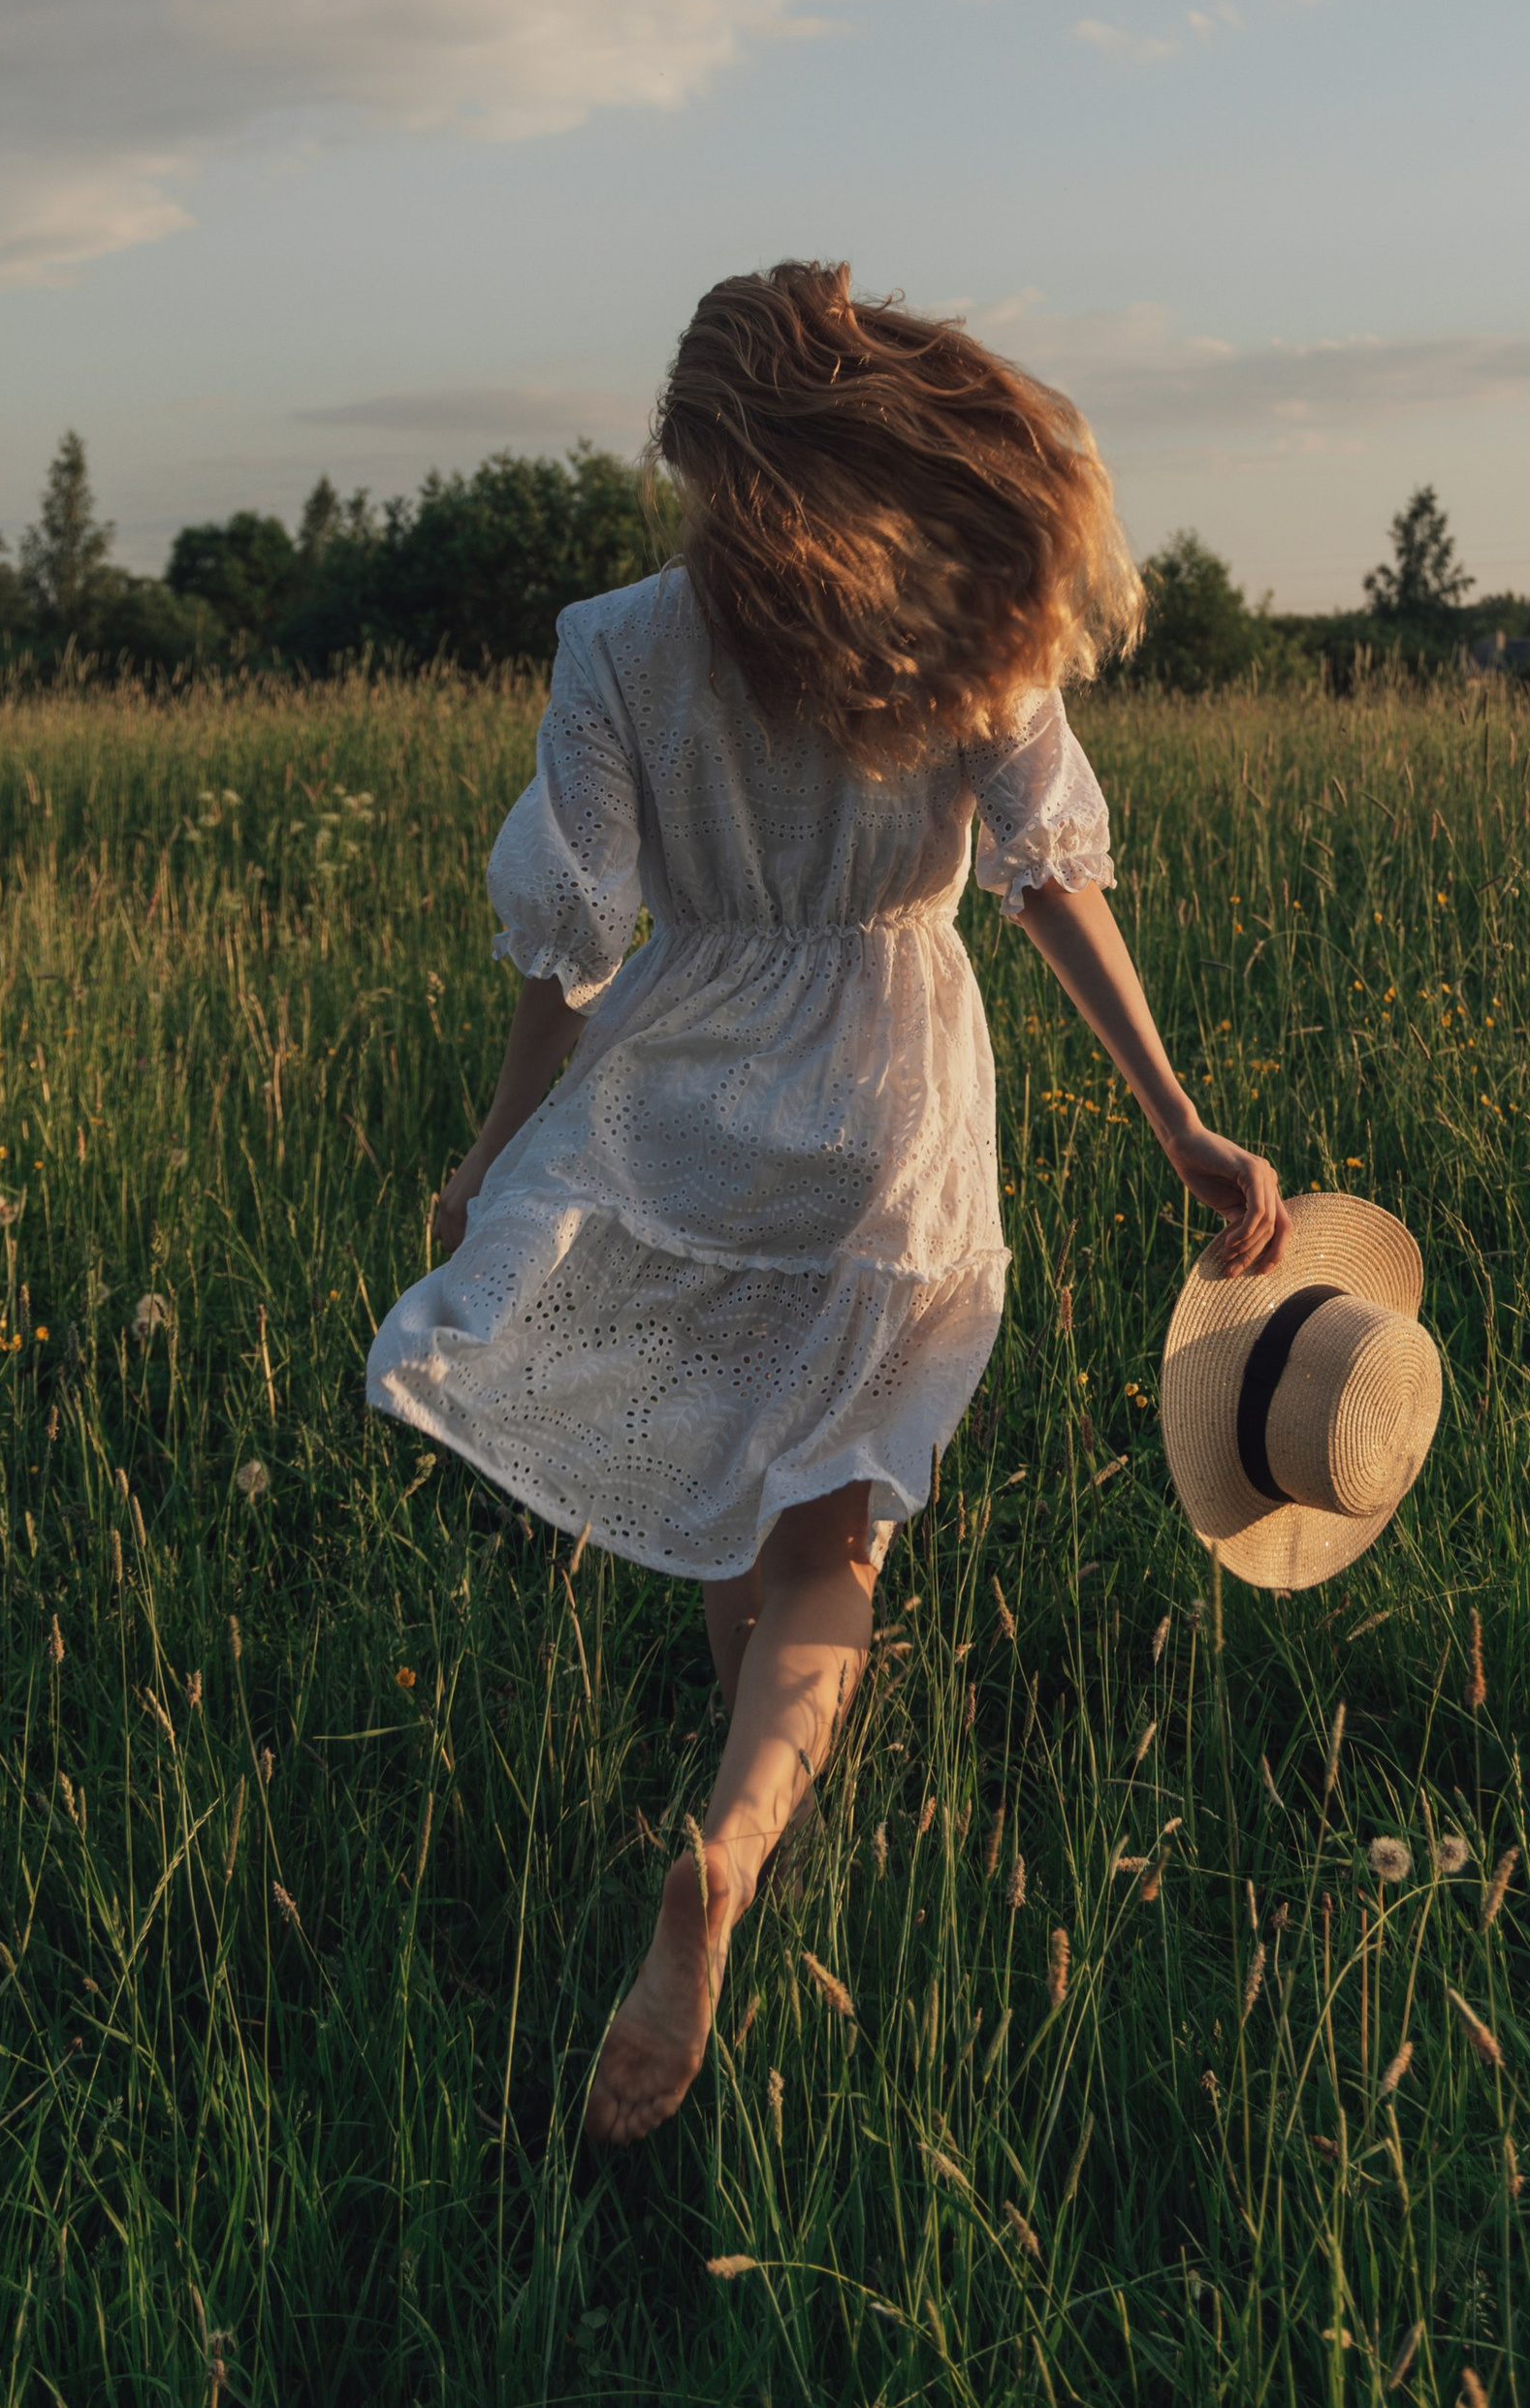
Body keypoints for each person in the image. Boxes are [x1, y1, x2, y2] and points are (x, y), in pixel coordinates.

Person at [367, 262, 1285, 2145]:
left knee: (734, 1487)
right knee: (827, 1535)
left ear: (704, 451)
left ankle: (731, 1839)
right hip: (891, 1105)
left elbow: (571, 939)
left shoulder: (616, 641)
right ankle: (733, 1843)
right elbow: (1046, 883)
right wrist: (1179, 1119)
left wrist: (492, 1153)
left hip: (687, 1104)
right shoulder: (963, 615)